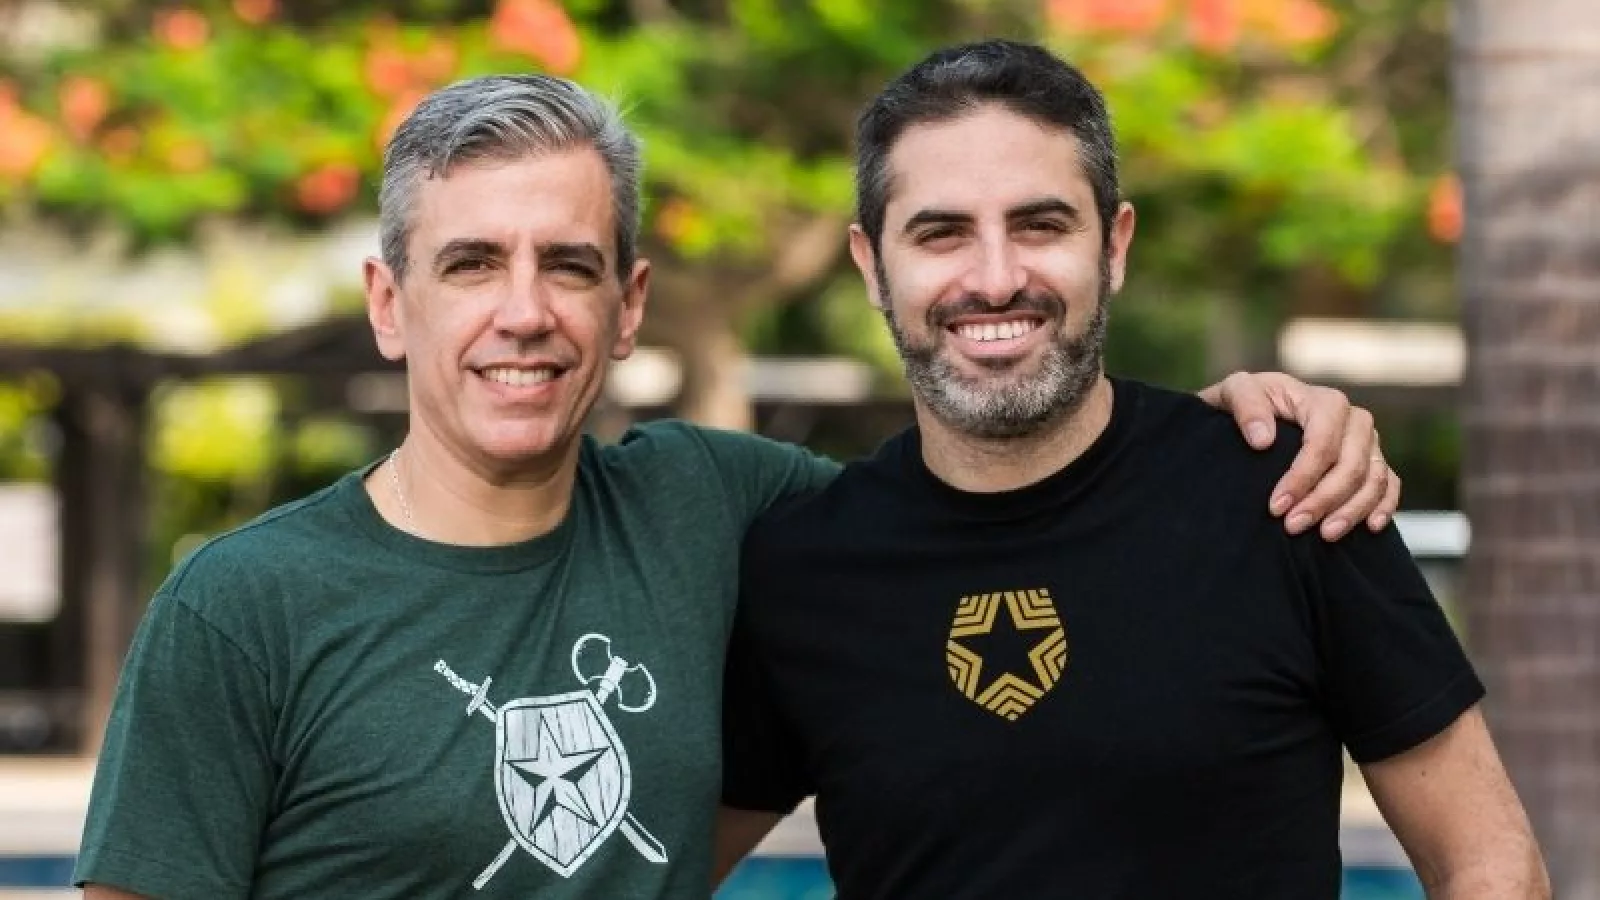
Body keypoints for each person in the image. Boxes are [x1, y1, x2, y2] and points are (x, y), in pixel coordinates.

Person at [75, 72, 1397, 900]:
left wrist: (1241, 424)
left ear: (630, 304)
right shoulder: (243, 606)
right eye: (471, 264)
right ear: (388, 302)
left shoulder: (721, 508)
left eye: (571, 266)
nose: (524, 313)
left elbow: (990, 496)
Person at [716, 40, 1550, 899]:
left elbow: (1490, 864)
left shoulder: (1290, 495)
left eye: (1041, 226)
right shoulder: (803, 569)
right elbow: (654, 867)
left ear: (1114, 246)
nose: (996, 279)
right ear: (872, 266)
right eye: (942, 233)